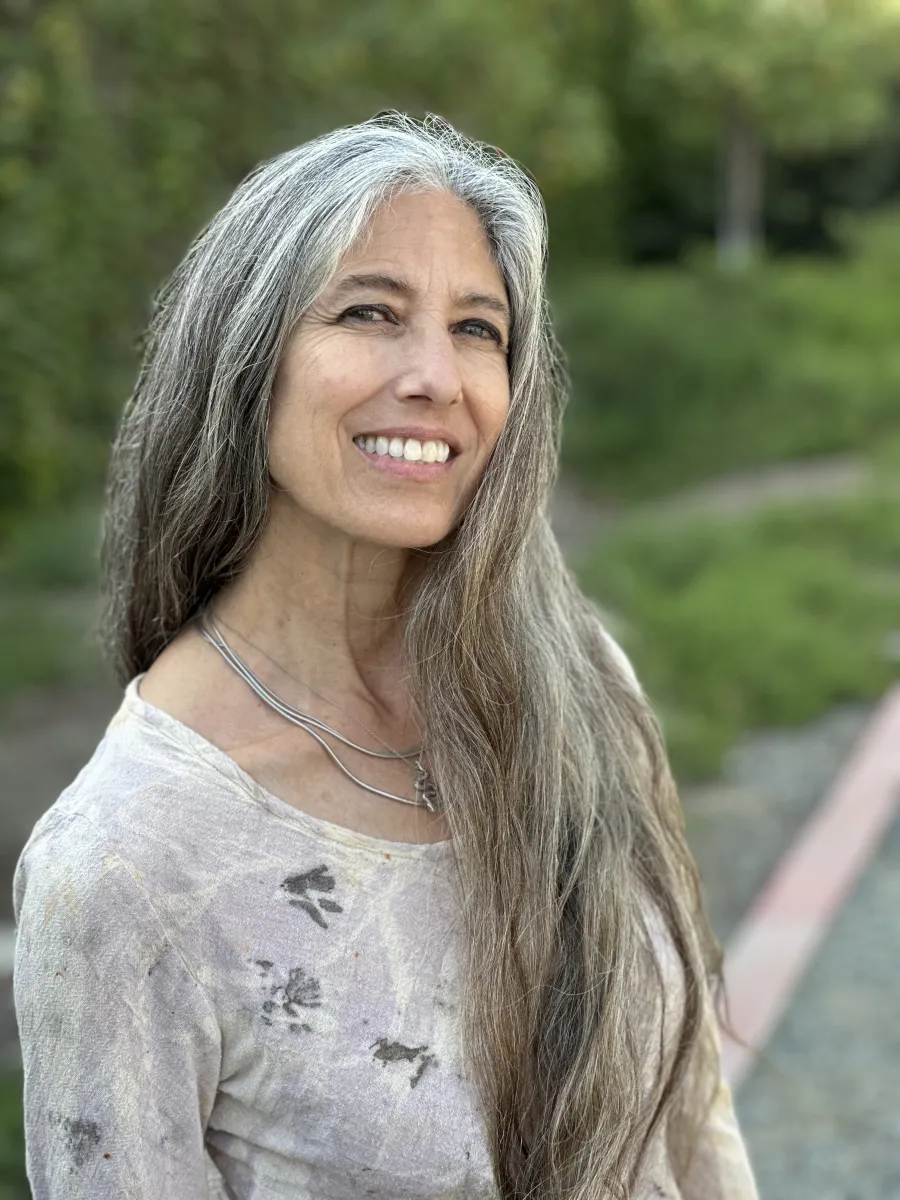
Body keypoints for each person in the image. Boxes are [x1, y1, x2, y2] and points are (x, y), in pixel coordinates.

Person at [12, 111, 759, 1199]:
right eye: (370, 311)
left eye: (477, 329)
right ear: (244, 355)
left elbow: (692, 1118)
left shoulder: (579, 685)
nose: (434, 378)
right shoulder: (127, 862)